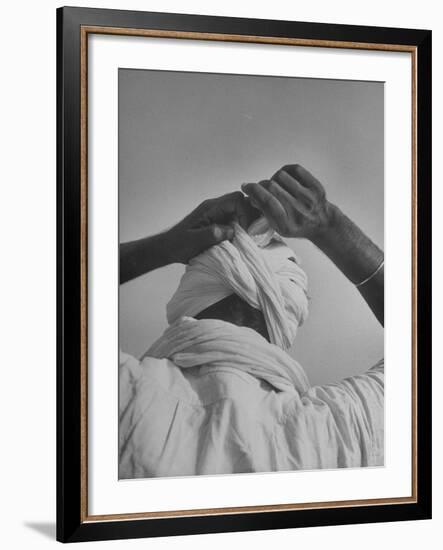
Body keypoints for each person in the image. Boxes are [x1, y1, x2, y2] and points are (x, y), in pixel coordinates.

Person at [119, 164, 384, 478]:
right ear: (293, 307)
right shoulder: (339, 429)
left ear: (190, 288)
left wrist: (164, 247)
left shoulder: (123, 391)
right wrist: (328, 224)